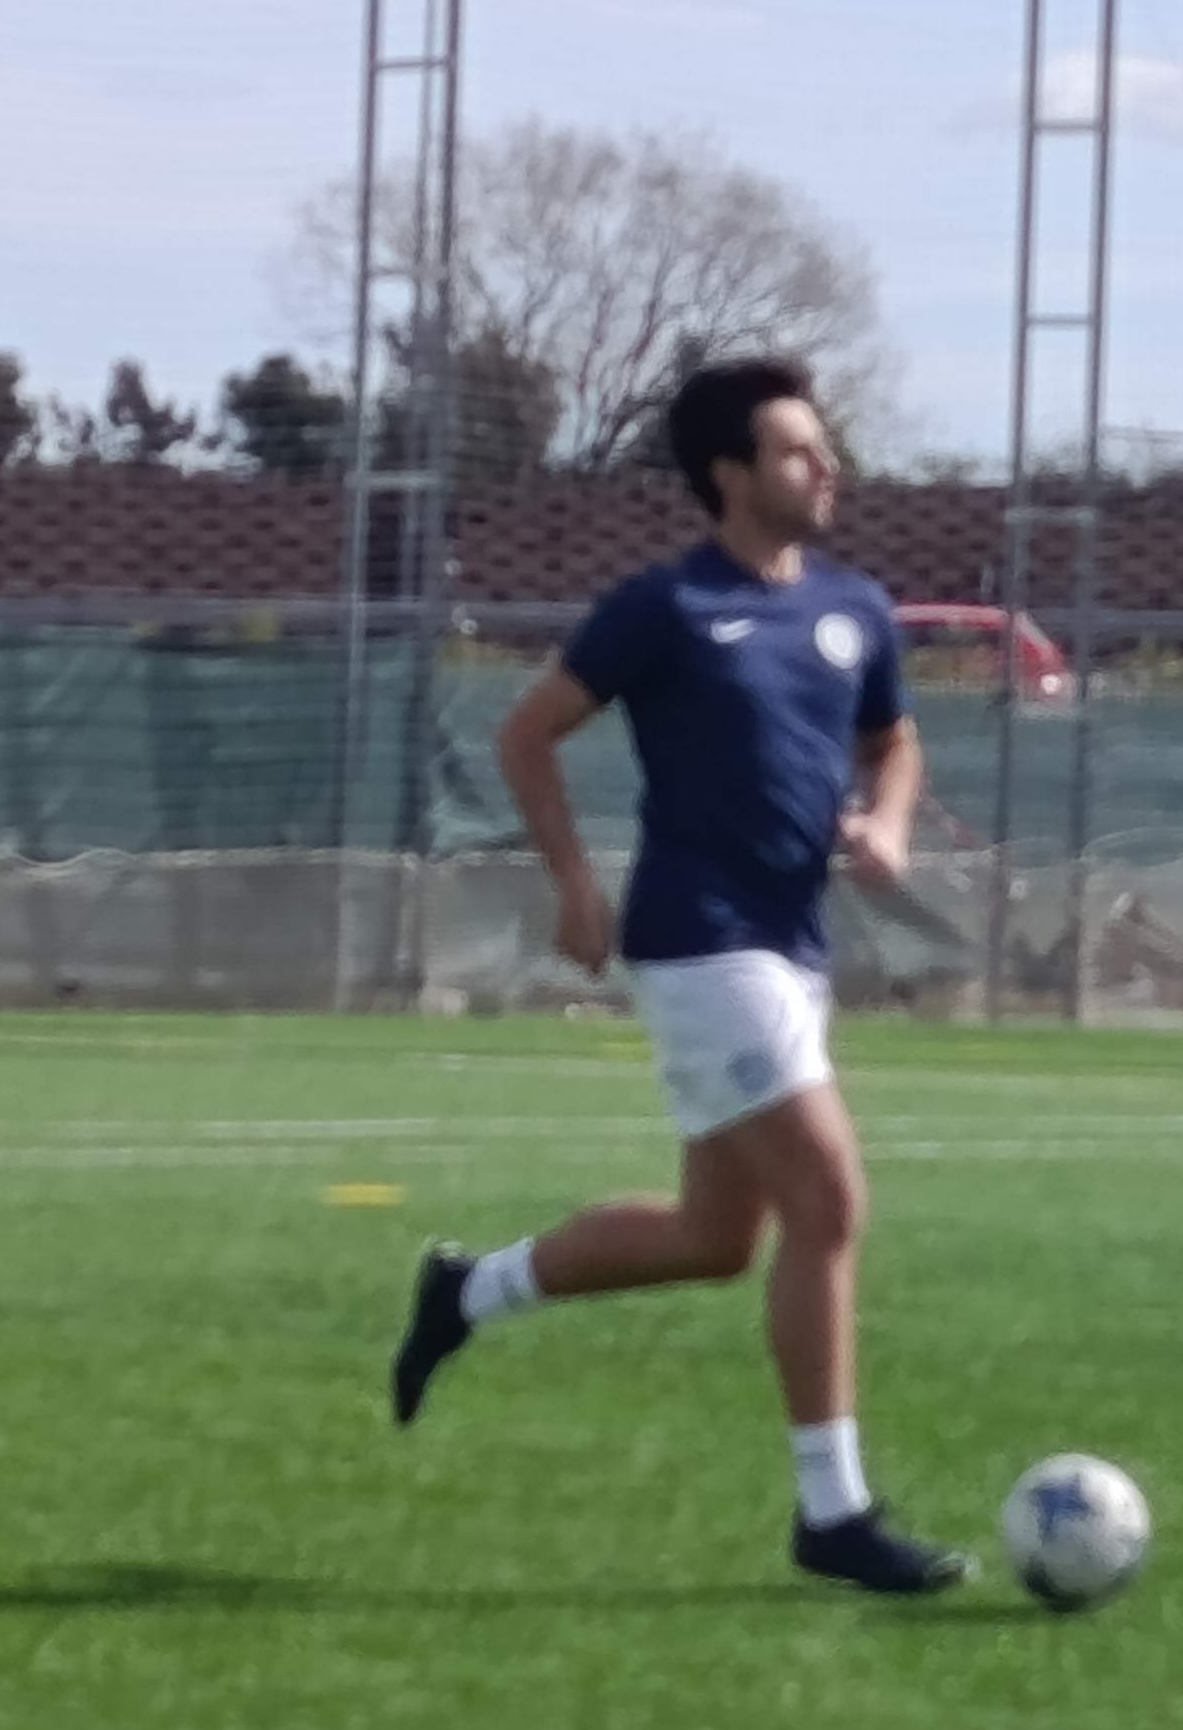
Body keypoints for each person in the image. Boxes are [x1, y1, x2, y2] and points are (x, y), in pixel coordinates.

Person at [386, 358, 966, 1596]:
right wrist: (574, 883)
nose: (827, 466)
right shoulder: (664, 606)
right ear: (730, 474)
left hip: (792, 946)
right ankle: (833, 1512)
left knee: (716, 1240)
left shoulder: (856, 608)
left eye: (822, 445)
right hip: (700, 939)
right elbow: (526, 733)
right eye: (797, 449)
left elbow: (896, 739)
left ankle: (467, 1293)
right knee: (829, 1201)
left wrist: (888, 821)